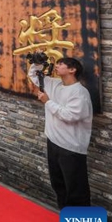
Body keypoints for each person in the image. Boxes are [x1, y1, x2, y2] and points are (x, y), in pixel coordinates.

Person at [29, 57, 93, 209]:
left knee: (77, 191)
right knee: (59, 184)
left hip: (71, 148)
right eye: (56, 64)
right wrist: (37, 62)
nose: (57, 66)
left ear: (72, 70)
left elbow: (70, 116)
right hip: (53, 141)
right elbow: (34, 76)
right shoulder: (53, 84)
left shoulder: (80, 92)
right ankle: (66, 219)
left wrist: (47, 102)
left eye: (61, 64)